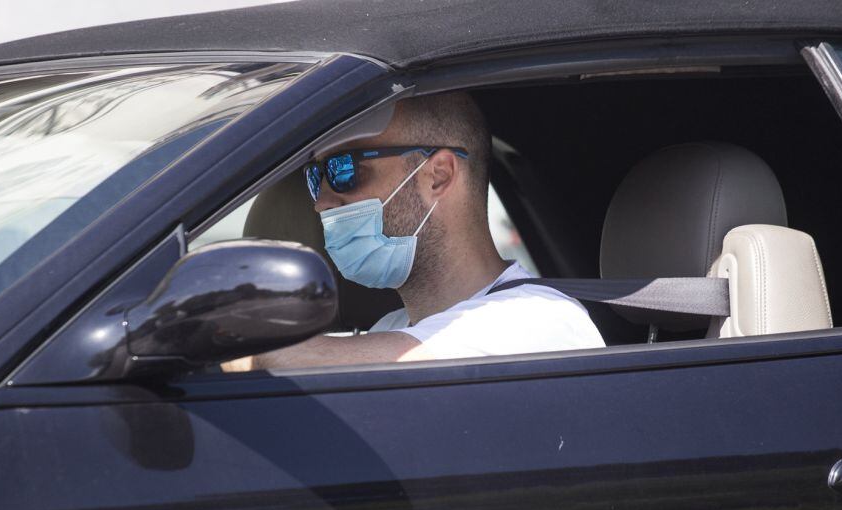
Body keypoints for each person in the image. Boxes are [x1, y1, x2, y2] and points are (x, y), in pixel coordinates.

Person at [223, 92, 603, 372]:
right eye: (314, 177)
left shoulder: (537, 320)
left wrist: (224, 342)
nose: (321, 202)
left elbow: (283, 362)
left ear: (438, 175)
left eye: (344, 169)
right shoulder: (390, 329)